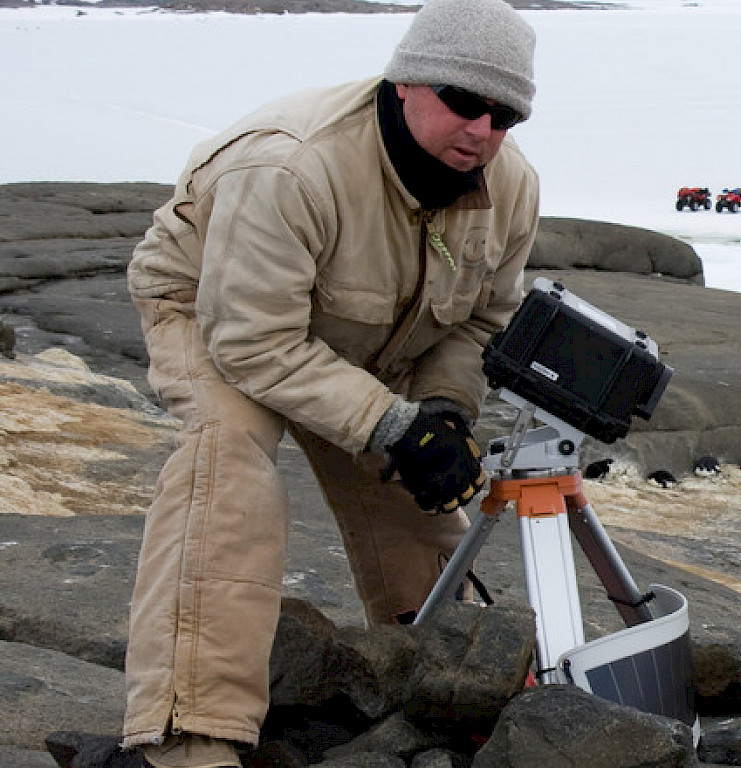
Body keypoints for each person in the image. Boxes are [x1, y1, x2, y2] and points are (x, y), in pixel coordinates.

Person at [119, 0, 540, 764]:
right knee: (232, 463)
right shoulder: (292, 164)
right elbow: (253, 341)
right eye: (464, 103)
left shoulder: (510, 188)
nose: (482, 131)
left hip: (374, 336)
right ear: (408, 81)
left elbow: (481, 322)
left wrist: (441, 410)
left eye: (505, 114)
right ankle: (192, 731)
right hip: (216, 313)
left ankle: (450, 696)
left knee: (422, 496)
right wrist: (389, 422)